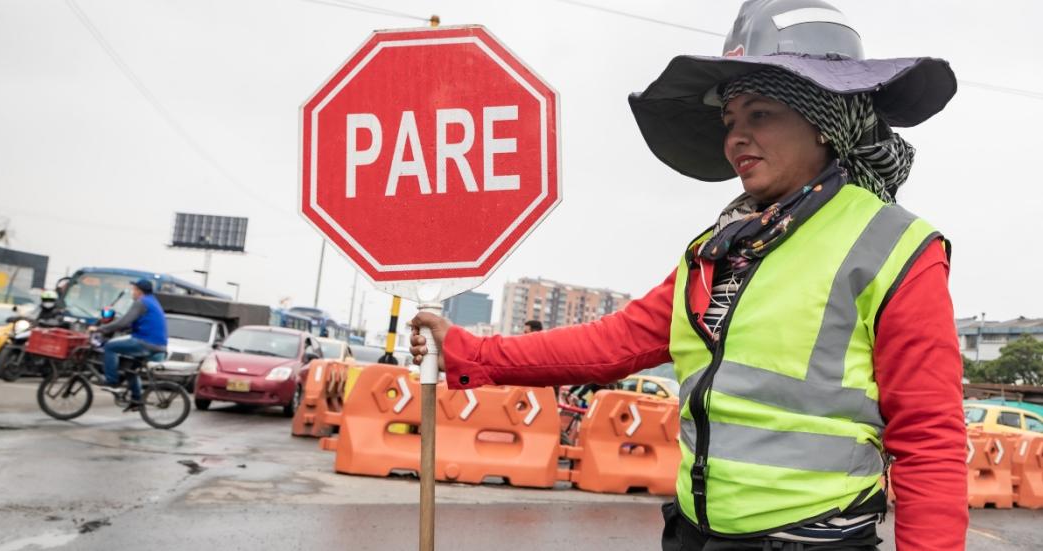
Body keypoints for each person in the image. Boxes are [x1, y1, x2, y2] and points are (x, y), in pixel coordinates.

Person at [411, 1, 967, 549]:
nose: (735, 139)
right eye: (730, 121)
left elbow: (929, 440)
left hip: (813, 542)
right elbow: (612, 343)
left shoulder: (896, 247)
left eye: (760, 115)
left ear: (822, 120)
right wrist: (469, 352)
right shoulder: (721, 248)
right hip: (696, 535)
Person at [93, 279, 168, 411]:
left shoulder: (141, 302)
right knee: (130, 369)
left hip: (146, 342)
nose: (132, 292)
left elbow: (123, 322)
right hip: (157, 344)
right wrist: (121, 328)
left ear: (139, 291)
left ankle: (112, 382)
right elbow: (130, 323)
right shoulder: (153, 301)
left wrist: (100, 329)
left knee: (110, 346)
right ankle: (136, 400)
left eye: (133, 289)